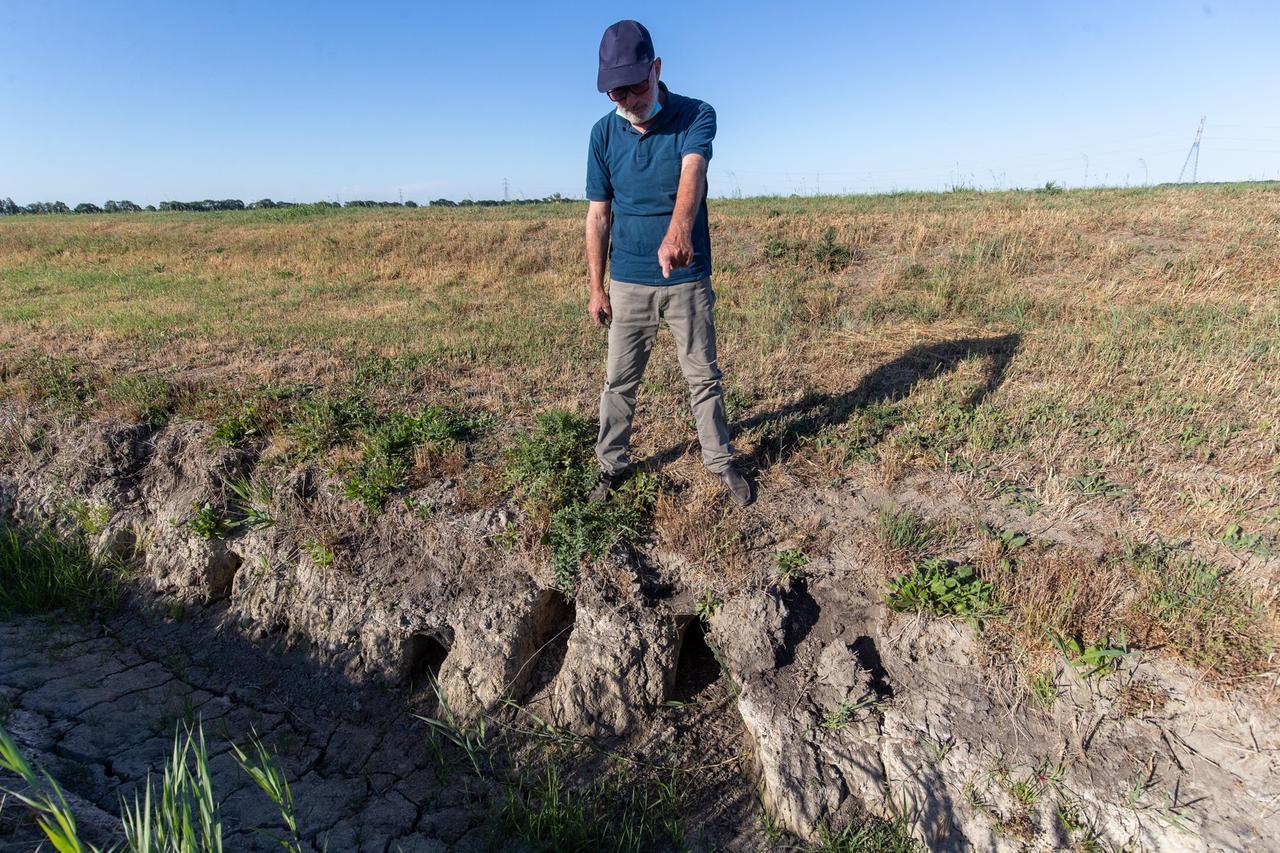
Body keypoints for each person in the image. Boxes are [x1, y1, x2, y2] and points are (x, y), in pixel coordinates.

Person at [584, 19, 752, 507]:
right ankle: (611, 467)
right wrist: (597, 288)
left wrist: (678, 232)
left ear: (656, 70)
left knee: (702, 375)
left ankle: (721, 463)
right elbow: (598, 215)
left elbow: (692, 173)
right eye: (616, 94)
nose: (628, 102)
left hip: (687, 277)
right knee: (619, 382)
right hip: (629, 281)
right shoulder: (602, 135)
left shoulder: (696, 114)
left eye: (635, 88)